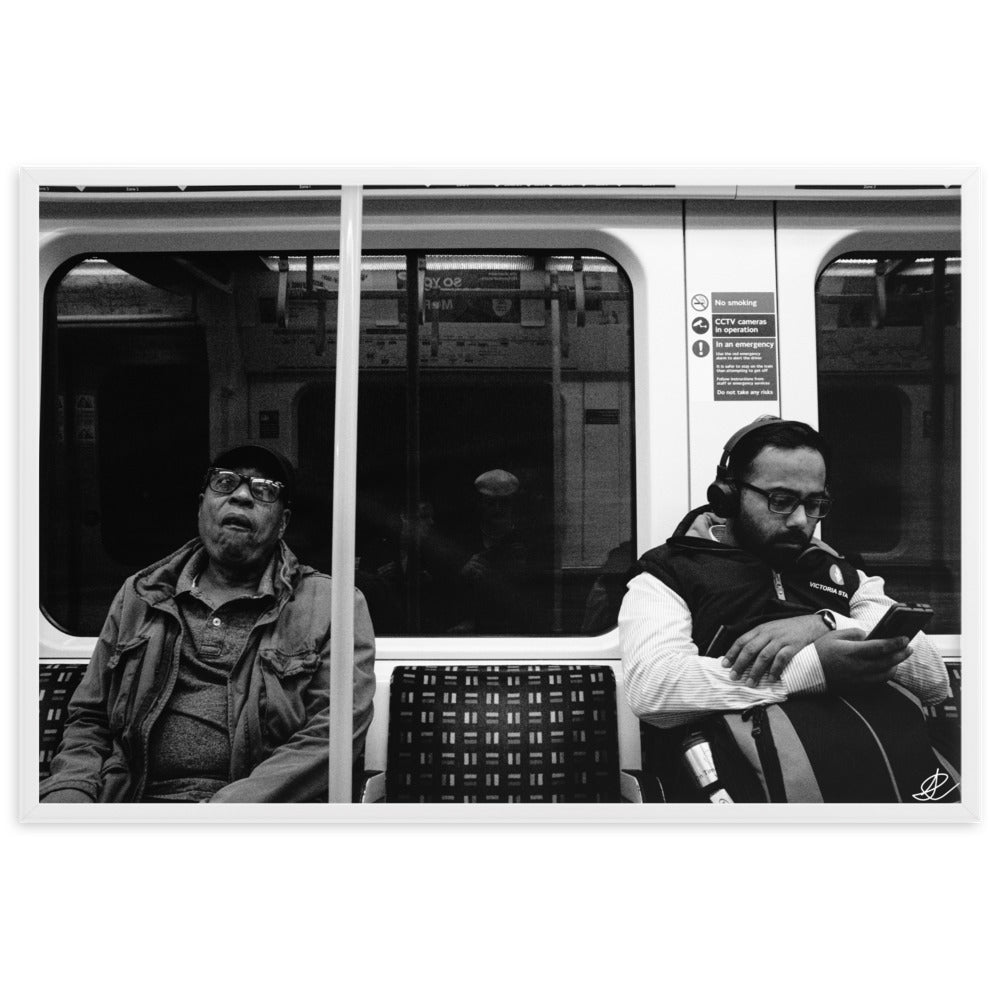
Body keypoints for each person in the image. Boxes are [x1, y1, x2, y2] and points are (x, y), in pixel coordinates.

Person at [619, 416, 955, 802]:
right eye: (781, 501)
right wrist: (814, 669)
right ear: (728, 495)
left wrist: (827, 624)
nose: (800, 520)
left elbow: (933, 680)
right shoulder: (669, 573)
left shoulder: (839, 573)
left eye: (815, 504)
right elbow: (655, 688)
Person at [40, 444, 376, 803]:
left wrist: (226, 811)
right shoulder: (140, 595)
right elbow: (90, 718)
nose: (242, 496)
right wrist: (70, 791)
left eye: (264, 490)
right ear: (202, 506)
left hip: (255, 819)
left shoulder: (332, 604)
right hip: (131, 803)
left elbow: (335, 731)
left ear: (283, 523)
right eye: (225, 483)